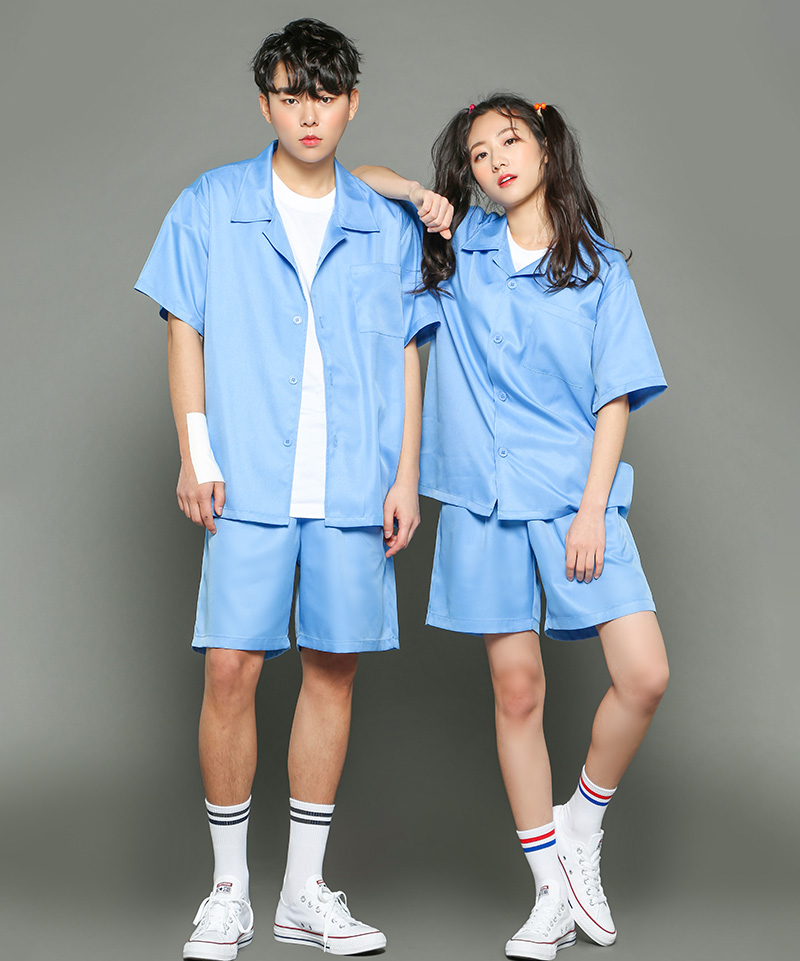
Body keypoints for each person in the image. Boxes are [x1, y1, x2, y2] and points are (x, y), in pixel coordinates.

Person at [135, 19, 439, 960]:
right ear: (265, 103)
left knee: (333, 667)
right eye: (290, 95)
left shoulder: (384, 221)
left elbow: (408, 353)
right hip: (249, 475)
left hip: (354, 482)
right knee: (230, 667)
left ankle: (305, 893)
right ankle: (228, 890)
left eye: (325, 95)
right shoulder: (212, 203)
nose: (309, 114)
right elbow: (182, 325)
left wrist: (405, 475)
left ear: (352, 103)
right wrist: (196, 451)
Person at [354, 94, 669, 960]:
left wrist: (594, 508)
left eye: (511, 140)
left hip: (573, 496)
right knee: (518, 690)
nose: (496, 160)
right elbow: (354, 183)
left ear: (546, 148)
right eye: (479, 153)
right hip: (482, 499)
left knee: (644, 673)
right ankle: (547, 893)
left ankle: (581, 827)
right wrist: (418, 193)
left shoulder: (599, 270)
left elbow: (614, 398)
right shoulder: (458, 246)